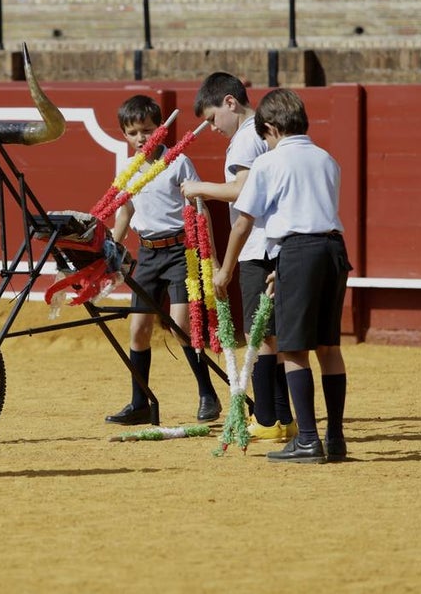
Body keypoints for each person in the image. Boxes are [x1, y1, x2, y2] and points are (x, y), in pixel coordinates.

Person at [213, 88, 350, 464]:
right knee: (328, 347)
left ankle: (307, 439)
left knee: (292, 348)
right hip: (333, 250)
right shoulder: (328, 160)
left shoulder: (269, 164)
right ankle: (334, 437)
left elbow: (243, 223)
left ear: (270, 128)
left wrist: (225, 271)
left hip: (299, 251)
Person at [181, 72, 296, 444]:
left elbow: (241, 191)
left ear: (230, 103)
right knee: (271, 334)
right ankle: (281, 417)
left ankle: (266, 417)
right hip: (274, 243)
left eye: (213, 118)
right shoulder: (261, 135)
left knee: (258, 334)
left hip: (257, 245)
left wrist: (199, 189)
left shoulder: (246, 138)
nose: (212, 128)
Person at [106, 94, 222, 426]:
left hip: (178, 252)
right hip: (147, 252)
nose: (141, 138)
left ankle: (207, 393)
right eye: (132, 133)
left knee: (183, 326)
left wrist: (209, 255)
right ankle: (139, 401)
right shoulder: (126, 168)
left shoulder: (177, 162)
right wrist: (112, 249)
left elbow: (200, 209)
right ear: (125, 135)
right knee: (139, 329)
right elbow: (125, 210)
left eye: (146, 129)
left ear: (160, 129)